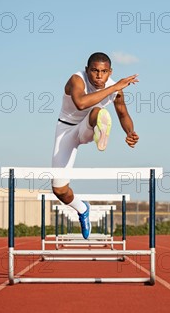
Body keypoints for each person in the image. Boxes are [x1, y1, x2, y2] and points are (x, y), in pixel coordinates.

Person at [51, 52, 139, 239]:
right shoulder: (77, 80)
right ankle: (83, 209)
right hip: (66, 129)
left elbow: (123, 115)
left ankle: (100, 130)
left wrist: (130, 133)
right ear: (87, 70)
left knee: (98, 112)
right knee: (59, 190)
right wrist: (114, 86)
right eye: (95, 71)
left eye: (104, 71)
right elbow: (81, 103)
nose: (99, 76)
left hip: (87, 126)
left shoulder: (116, 89)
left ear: (110, 71)